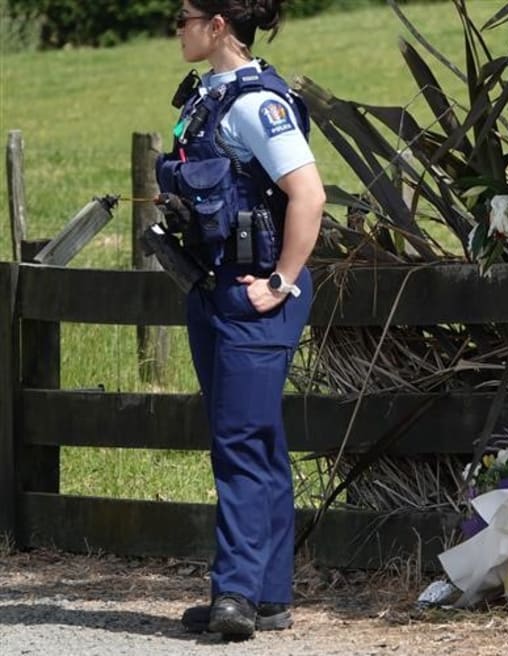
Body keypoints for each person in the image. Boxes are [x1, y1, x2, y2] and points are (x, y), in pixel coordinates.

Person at [155, 0, 324, 640]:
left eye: (186, 15)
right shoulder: (207, 100)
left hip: (252, 296)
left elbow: (309, 193)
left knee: (241, 445)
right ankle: (267, 595)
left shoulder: (257, 105)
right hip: (213, 291)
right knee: (256, 443)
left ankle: (235, 594)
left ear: (218, 26)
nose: (179, 27)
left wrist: (281, 281)